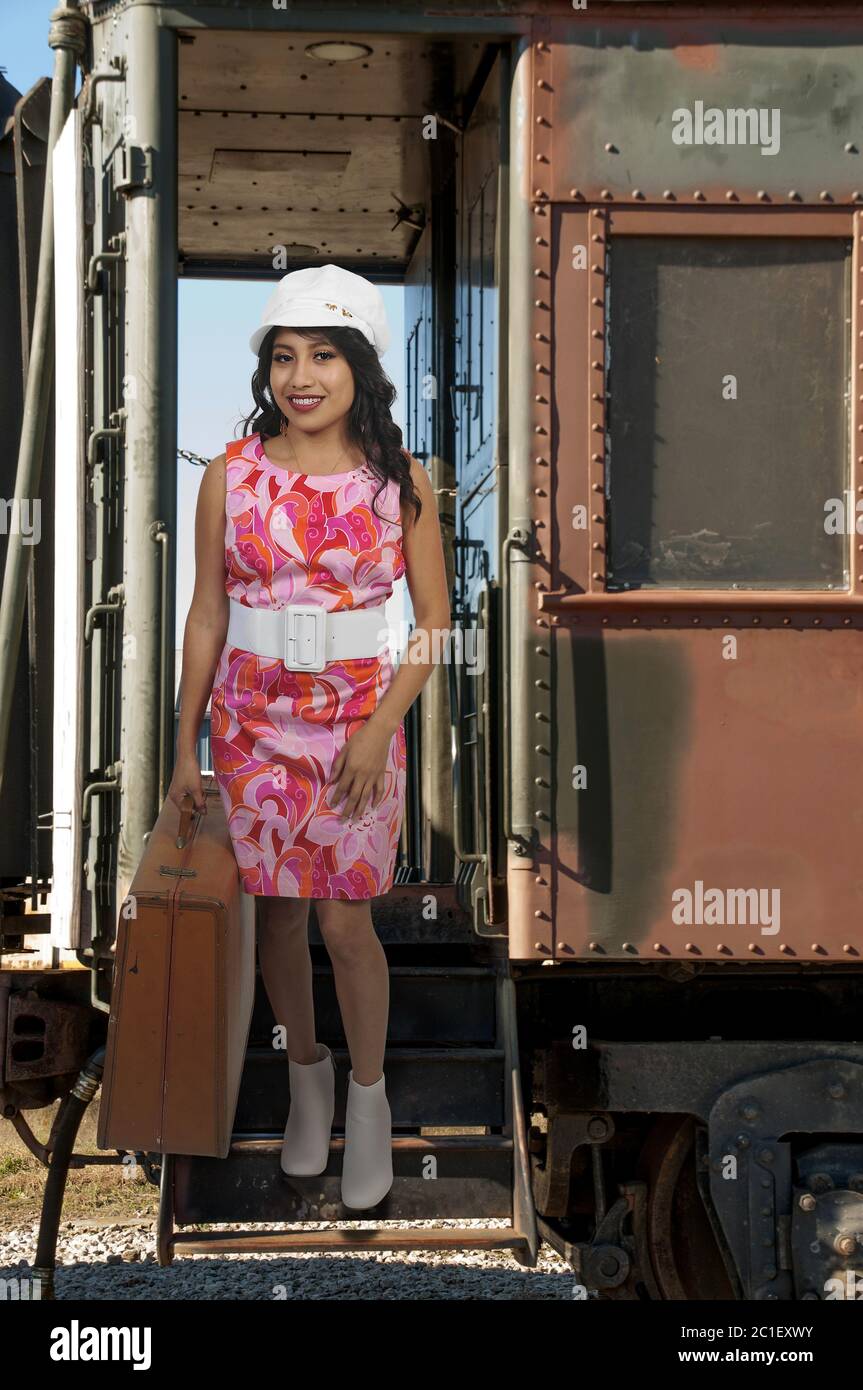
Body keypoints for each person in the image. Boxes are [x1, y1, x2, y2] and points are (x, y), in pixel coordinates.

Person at [168, 264, 450, 1210]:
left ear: (359, 367)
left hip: (357, 724)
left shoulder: (400, 483)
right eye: (285, 356)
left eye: (323, 355)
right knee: (278, 915)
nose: (302, 375)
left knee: (344, 918)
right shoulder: (229, 475)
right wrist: (185, 752)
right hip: (249, 724)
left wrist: (378, 733)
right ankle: (306, 1078)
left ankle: (366, 1102)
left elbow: (434, 628)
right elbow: (205, 616)